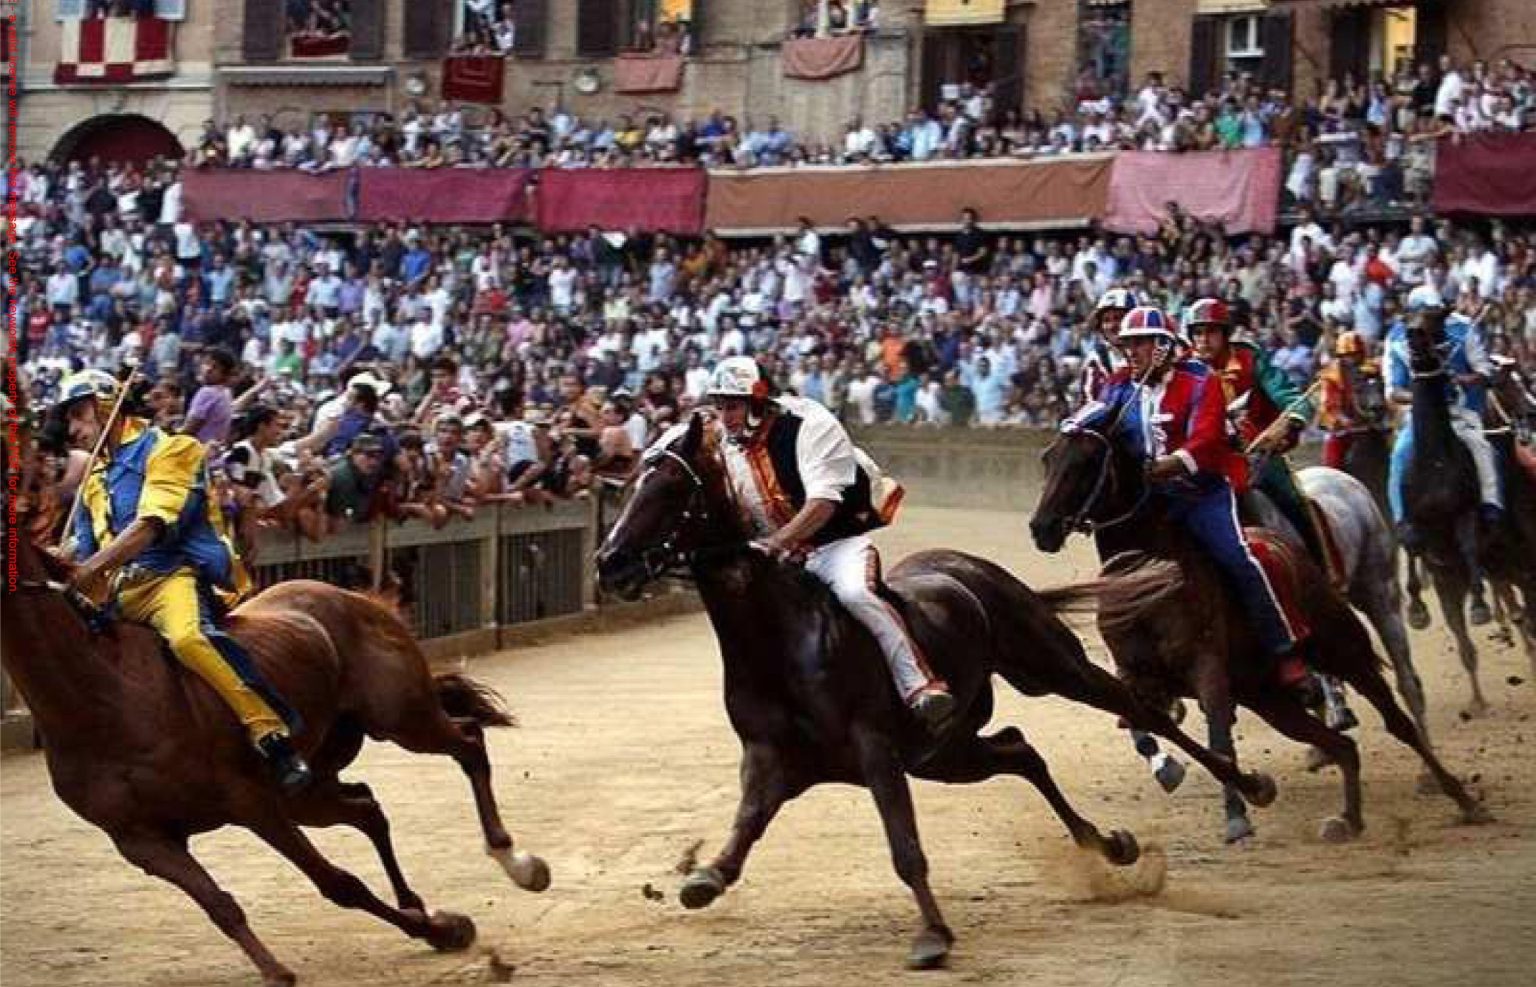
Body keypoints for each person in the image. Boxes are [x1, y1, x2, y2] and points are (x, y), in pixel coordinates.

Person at [51, 370, 310, 792]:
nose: (73, 430)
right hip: (117, 589)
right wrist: (48, 562)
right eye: (69, 422)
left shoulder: (170, 449)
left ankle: (272, 734)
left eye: (79, 416)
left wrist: (86, 571)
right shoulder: (94, 478)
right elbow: (81, 542)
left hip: (169, 578)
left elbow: (149, 526)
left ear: (107, 407)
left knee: (189, 639)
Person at [704, 356, 954, 730]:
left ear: (758, 403)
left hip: (834, 547)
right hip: (778, 559)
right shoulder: (724, 444)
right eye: (720, 407)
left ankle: (919, 685)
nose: (725, 416)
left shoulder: (809, 424)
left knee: (857, 594)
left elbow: (823, 504)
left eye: (734, 406)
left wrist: (776, 543)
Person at [1066, 308, 1310, 689]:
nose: (1130, 352)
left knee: (1240, 557)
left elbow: (1206, 439)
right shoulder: (1119, 385)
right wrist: (1071, 429)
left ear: (1162, 346)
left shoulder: (1201, 382)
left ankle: (1285, 648)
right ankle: (1138, 668)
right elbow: (1095, 412)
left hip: (1203, 493)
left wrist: (1171, 466)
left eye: (1139, 344)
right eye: (1127, 345)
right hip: (1153, 500)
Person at [1184, 297, 1339, 585]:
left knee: (1292, 499)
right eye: (1197, 333)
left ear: (1225, 333)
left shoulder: (1249, 359)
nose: (1203, 340)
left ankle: (1324, 572)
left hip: (1256, 456)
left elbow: (1289, 396)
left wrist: (1291, 421)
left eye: (1210, 332)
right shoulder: (1186, 370)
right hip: (1207, 459)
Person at [1383, 285, 1503, 547]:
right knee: (1400, 453)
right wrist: (1427, 396)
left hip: (1461, 410)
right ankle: (1402, 519)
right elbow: (1393, 391)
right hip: (1421, 416)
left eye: (1438, 315)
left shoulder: (1463, 328)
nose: (1436, 321)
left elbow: (1485, 370)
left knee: (1482, 448)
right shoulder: (1395, 339)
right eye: (1430, 316)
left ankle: (1491, 504)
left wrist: (1463, 378)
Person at [1317, 331, 1384, 469]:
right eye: (1348, 355)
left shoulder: (1372, 370)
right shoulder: (1331, 376)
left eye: (1356, 353)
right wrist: (1344, 420)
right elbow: (1329, 406)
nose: (1353, 358)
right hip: (1340, 427)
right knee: (1333, 458)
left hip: (1369, 424)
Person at [1079, 288, 1140, 403]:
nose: (1112, 326)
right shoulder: (1096, 361)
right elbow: (1088, 405)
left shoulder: (1151, 348)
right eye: (1106, 320)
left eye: (1118, 318)